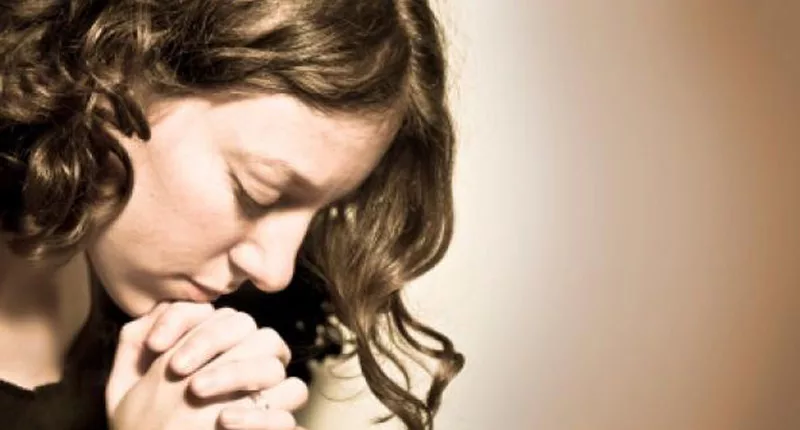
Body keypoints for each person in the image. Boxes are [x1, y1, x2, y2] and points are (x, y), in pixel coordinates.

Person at [0, 0, 464, 429]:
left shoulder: (240, 333)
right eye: (257, 193)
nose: (276, 272)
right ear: (112, 63)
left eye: (322, 212)